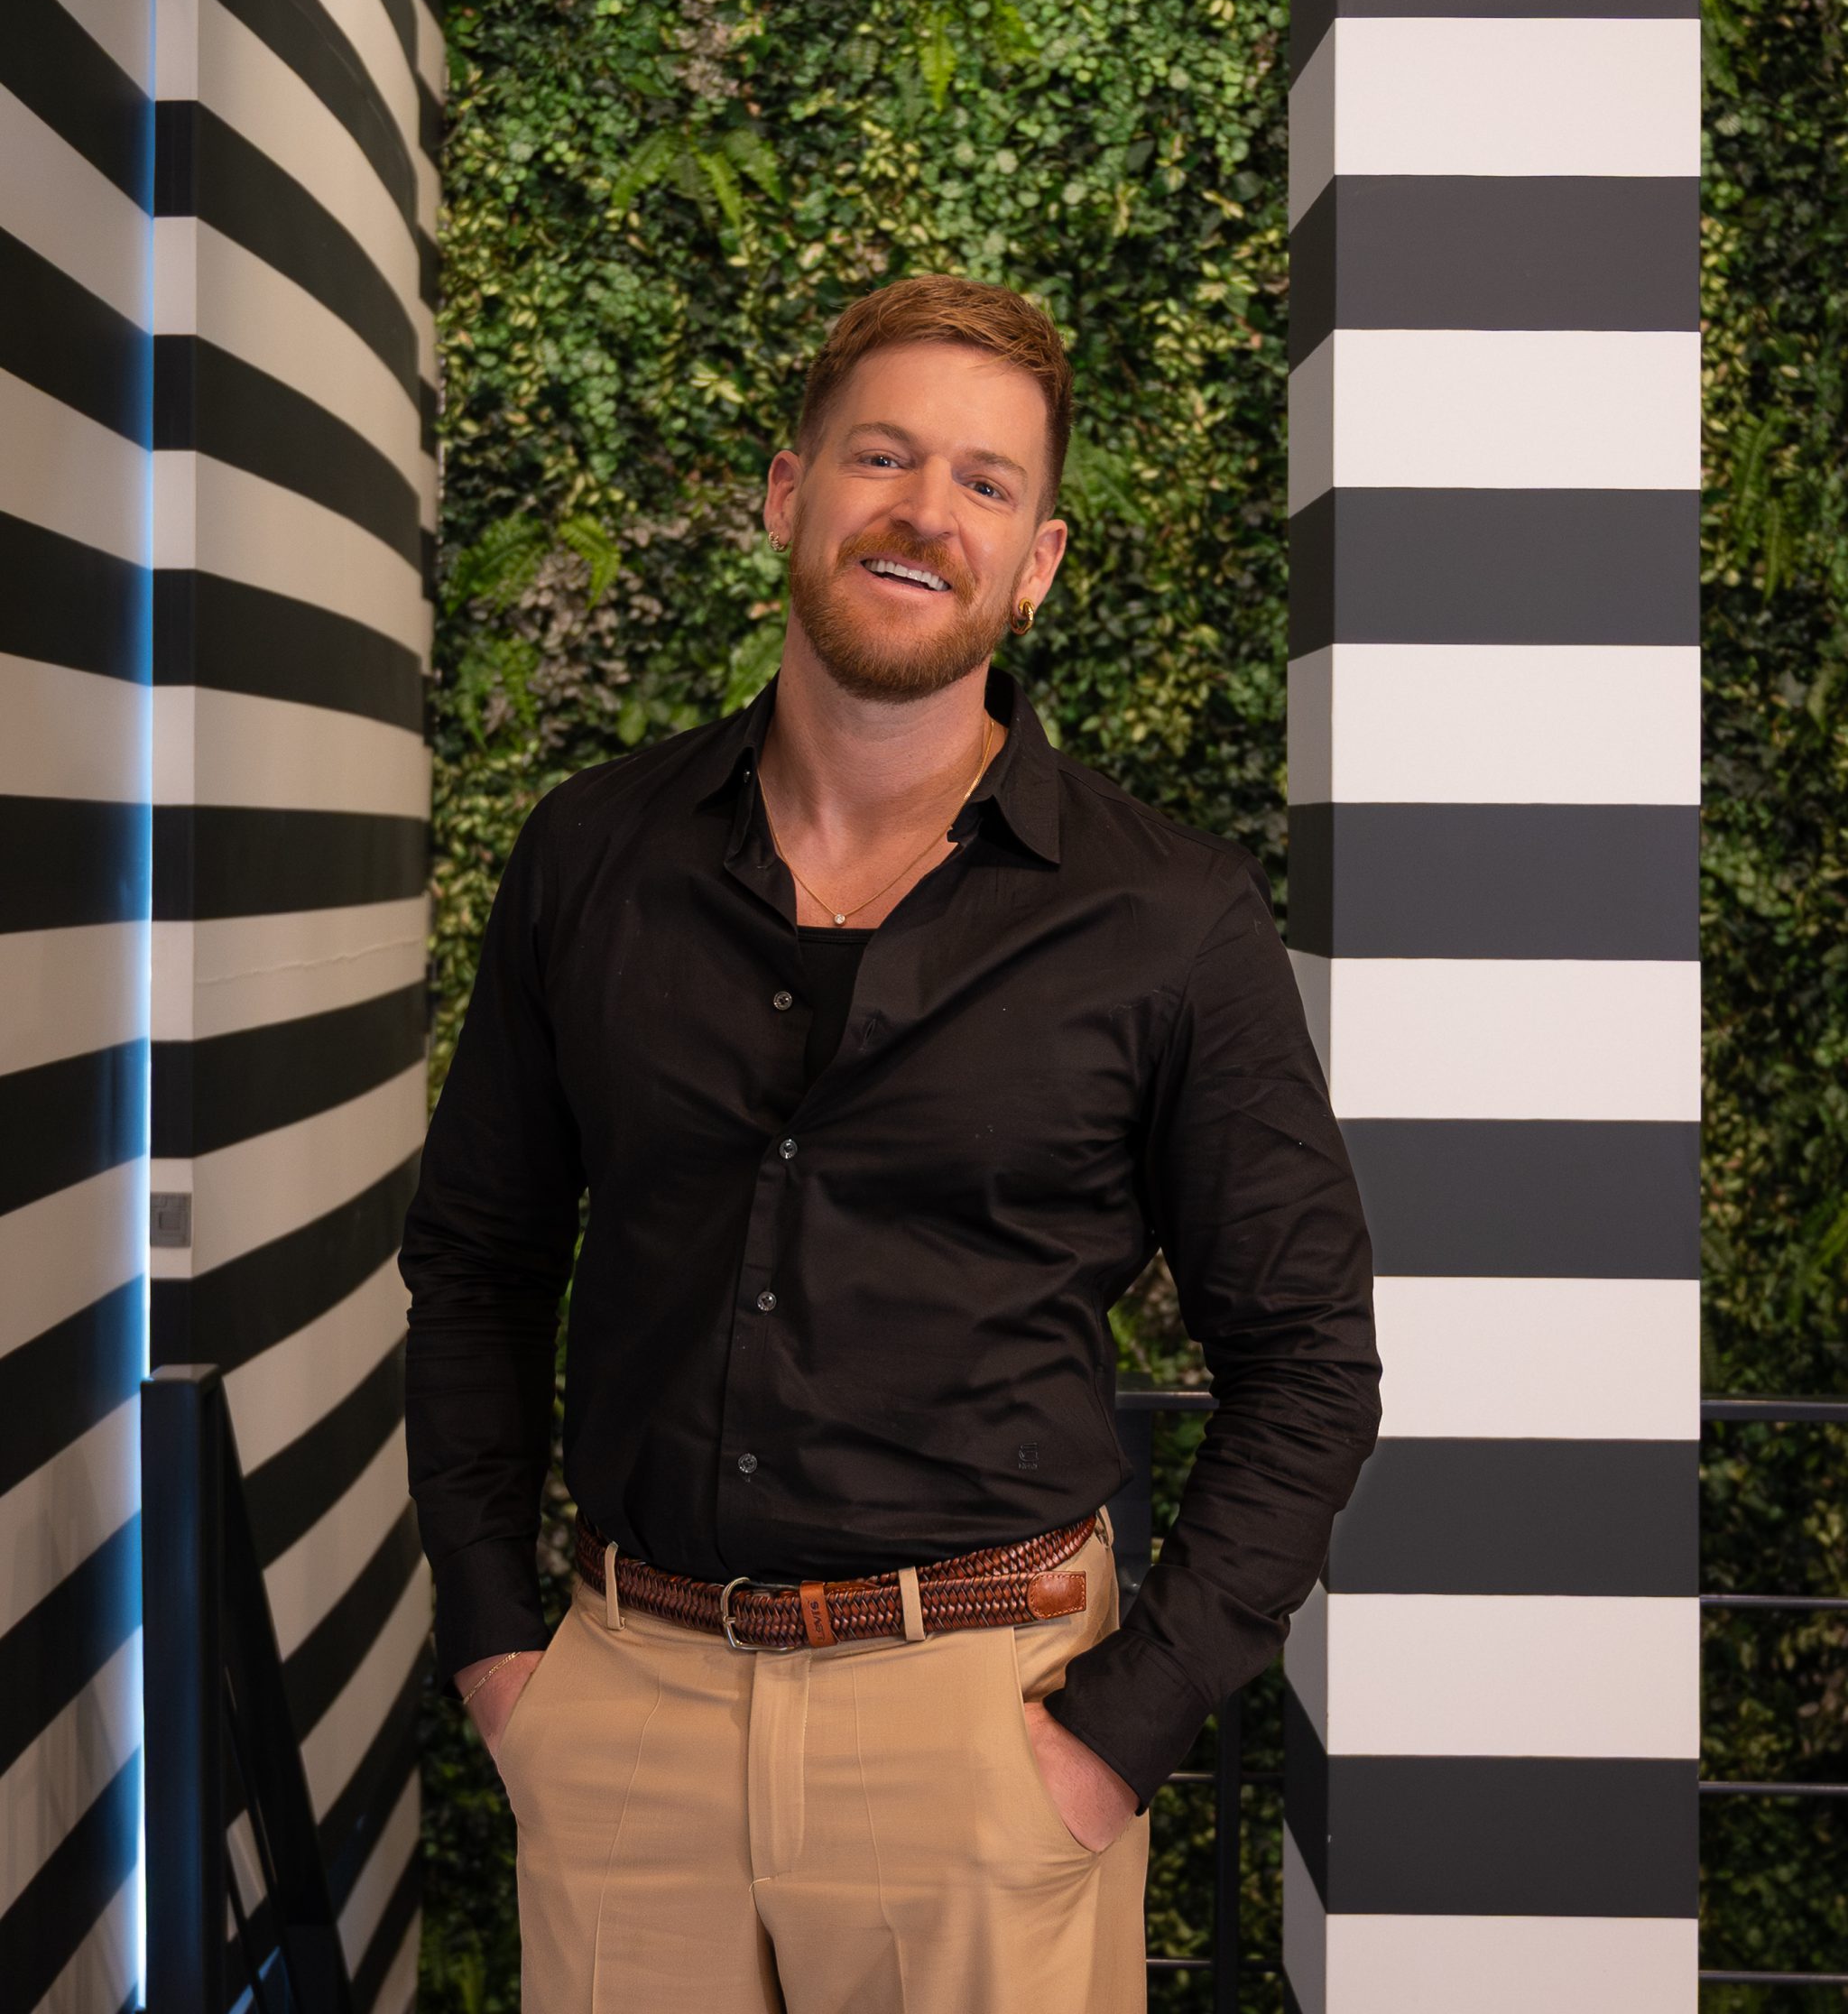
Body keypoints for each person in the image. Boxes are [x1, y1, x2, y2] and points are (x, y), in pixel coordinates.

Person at [400, 273, 1381, 2012]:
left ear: (1036, 563)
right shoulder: (589, 858)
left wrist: (1116, 1738)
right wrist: (494, 1644)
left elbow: (1308, 1359)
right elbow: (478, 1263)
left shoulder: (1171, 917)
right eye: (883, 458)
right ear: (791, 495)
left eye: (986, 484)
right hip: (628, 1720)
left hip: (987, 1734)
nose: (928, 511)